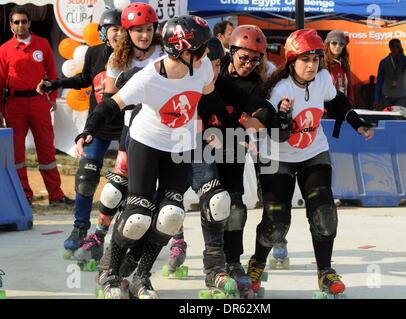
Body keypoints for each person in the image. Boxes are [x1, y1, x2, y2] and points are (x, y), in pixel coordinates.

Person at [75, 15, 214, 299]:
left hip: (180, 146)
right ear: (184, 51)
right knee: (138, 216)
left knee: (171, 216)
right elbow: (110, 105)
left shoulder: (203, 67)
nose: (207, 54)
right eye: (201, 49)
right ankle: (109, 271)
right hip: (146, 144)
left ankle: (142, 276)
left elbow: (209, 94)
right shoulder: (149, 78)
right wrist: (88, 130)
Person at [248, 29, 374, 298]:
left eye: (316, 60)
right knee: (276, 222)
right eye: (305, 60)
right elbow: (265, 118)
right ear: (292, 61)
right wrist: (276, 118)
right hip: (277, 157)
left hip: (314, 152)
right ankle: (256, 265)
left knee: (324, 214)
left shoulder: (323, 78)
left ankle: (326, 272)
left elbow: (337, 102)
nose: (311, 66)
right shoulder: (280, 88)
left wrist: (358, 124)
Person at [72, 2, 165, 272]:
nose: (144, 35)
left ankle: (176, 242)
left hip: (167, 129)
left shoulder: (164, 51)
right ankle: (99, 235)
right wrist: (90, 129)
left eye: (148, 29)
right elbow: (110, 100)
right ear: (127, 32)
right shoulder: (117, 58)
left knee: (168, 196)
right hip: (133, 129)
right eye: (137, 30)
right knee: (115, 189)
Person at [37, 8, 122, 257]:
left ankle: (121, 233)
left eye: (122, 29)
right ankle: (79, 229)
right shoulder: (95, 53)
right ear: (104, 33)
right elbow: (85, 78)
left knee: (126, 184)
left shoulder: (134, 57)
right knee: (86, 177)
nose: (119, 34)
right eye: (113, 29)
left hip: (128, 126)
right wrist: (57, 83)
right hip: (99, 124)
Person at [0, 6, 74, 207]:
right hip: (14, 105)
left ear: (29, 23)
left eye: (24, 21)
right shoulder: (4, 49)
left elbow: (52, 73)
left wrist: (51, 97)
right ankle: (24, 195)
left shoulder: (42, 44)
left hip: (39, 103)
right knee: (17, 153)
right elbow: (0, 80)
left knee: (46, 150)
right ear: (11, 25)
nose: (21, 25)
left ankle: (56, 196)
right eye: (16, 22)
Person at [218, 24, 269, 288]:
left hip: (232, 143)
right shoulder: (213, 68)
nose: (248, 64)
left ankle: (233, 260)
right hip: (196, 143)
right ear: (231, 51)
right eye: (244, 57)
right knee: (207, 203)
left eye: (255, 59)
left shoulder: (255, 85)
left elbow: (256, 115)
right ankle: (210, 259)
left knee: (235, 206)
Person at [374, 38, 406, 110]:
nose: (400, 48)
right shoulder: (384, 62)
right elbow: (379, 81)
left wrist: (403, 56)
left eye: (400, 46)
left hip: (400, 95)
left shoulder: (404, 60)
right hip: (387, 95)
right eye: (397, 47)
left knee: (397, 117)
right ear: (391, 48)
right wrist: (377, 98)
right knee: (387, 116)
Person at [324, 30, 354, 105]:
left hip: (343, 108)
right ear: (328, 44)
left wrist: (349, 104)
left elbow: (349, 88)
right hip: (326, 110)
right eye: (334, 43)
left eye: (341, 44)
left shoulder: (344, 65)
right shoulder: (321, 64)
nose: (338, 46)